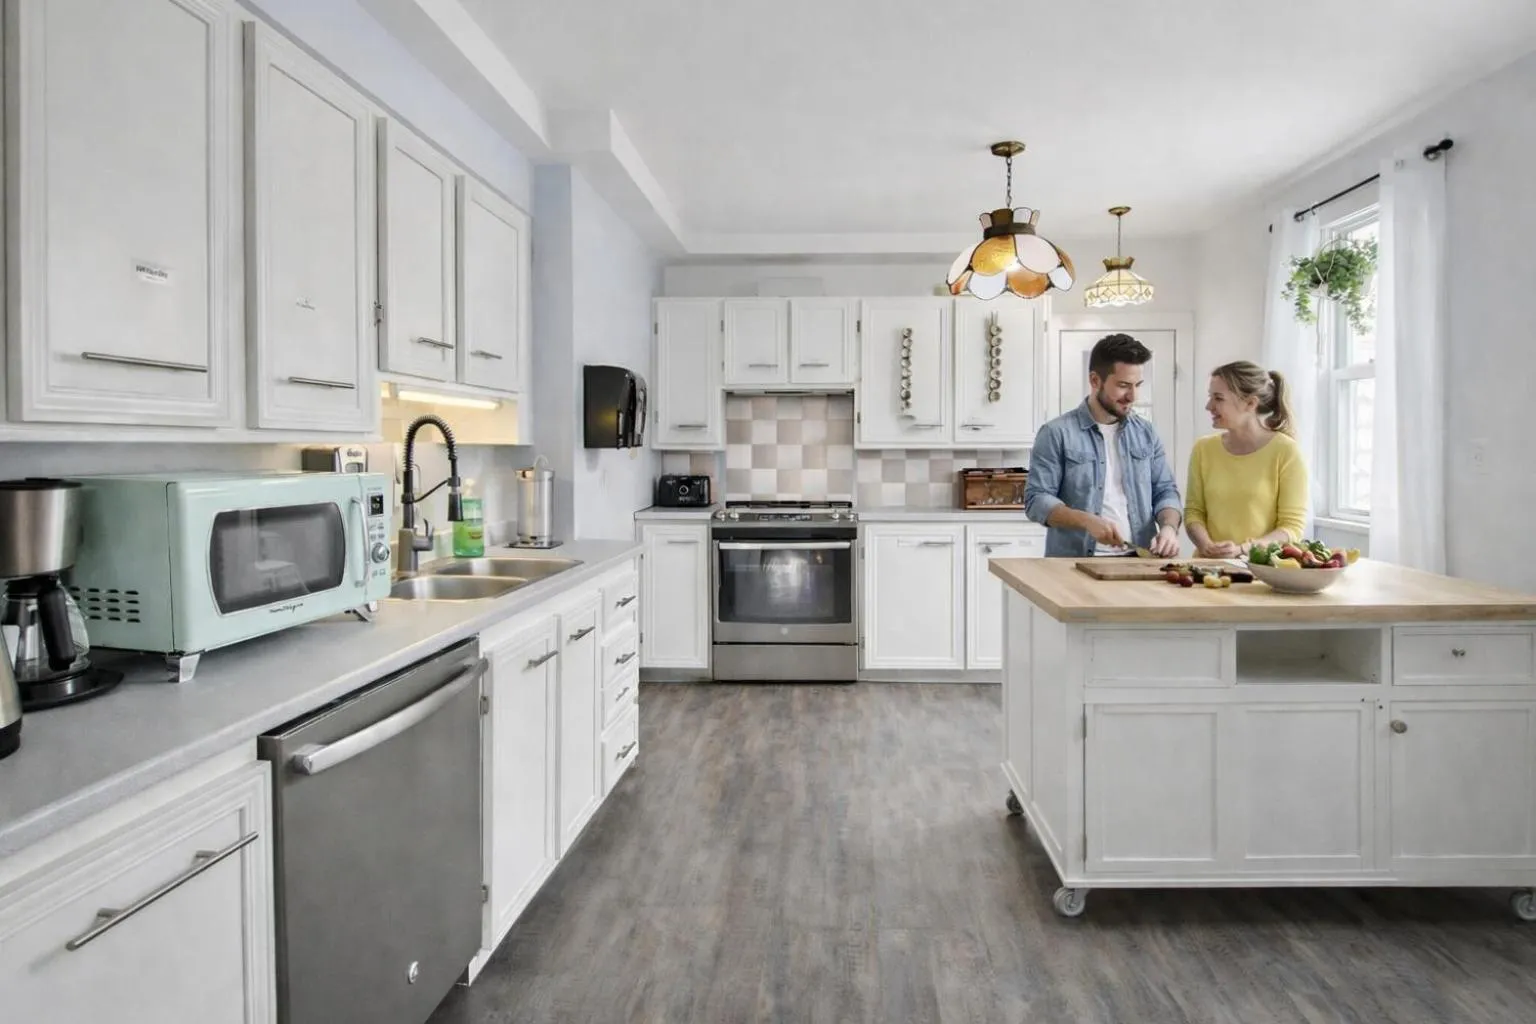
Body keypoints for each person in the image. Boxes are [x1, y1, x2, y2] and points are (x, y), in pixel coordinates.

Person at [1024, 333, 1182, 558]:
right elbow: (1036, 500)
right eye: (1123, 385)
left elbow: (1165, 491)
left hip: (1139, 561)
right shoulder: (1056, 433)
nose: (1133, 396)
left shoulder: (1146, 433)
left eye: (1138, 385)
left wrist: (1168, 528)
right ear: (1095, 380)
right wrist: (1086, 521)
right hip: (1074, 564)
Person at [1184, 361, 1309, 559]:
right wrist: (1206, 545)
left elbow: (1291, 527)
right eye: (1210, 397)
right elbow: (1194, 512)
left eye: (1218, 398)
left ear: (1250, 403)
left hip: (1261, 572)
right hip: (1207, 569)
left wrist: (1243, 549)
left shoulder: (1286, 451)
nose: (1209, 406)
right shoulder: (1203, 449)